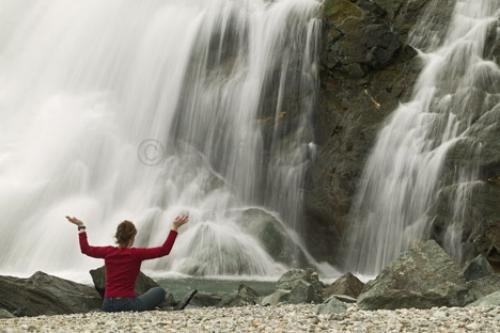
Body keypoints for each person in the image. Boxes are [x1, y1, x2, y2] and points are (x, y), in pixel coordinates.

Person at [66, 214, 189, 312]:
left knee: (143, 296)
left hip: (108, 304)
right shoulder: (136, 254)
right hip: (129, 304)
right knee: (158, 291)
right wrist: (174, 227)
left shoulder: (108, 252)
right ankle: (170, 306)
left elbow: (85, 249)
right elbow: (164, 250)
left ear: (117, 237)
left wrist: (81, 226)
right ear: (132, 238)